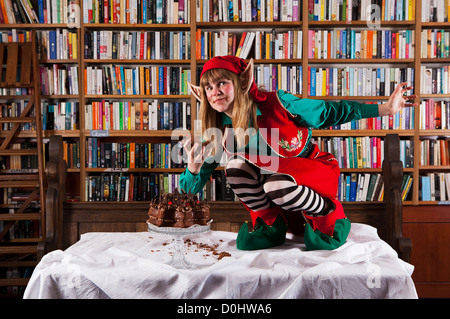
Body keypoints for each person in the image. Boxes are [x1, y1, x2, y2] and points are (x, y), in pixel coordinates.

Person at [179, 55, 416, 251]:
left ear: (241, 82)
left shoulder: (278, 103)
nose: (214, 92)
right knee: (235, 167)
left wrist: (384, 108)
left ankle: (324, 217)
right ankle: (269, 226)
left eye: (222, 83)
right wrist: (193, 169)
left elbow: (328, 111)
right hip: (275, 197)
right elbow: (188, 191)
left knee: (275, 184)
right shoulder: (218, 129)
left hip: (312, 175)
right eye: (208, 87)